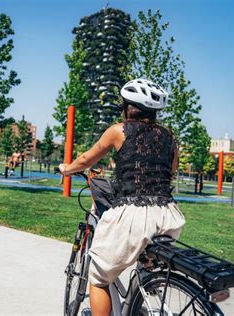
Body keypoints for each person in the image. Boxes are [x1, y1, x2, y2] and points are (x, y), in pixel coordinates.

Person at [59, 78, 186, 316]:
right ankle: (141, 301)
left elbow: (87, 159)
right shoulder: (169, 137)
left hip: (134, 217)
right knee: (146, 265)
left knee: (98, 276)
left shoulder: (119, 131)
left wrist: (67, 169)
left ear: (128, 107)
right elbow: (170, 172)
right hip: (168, 217)